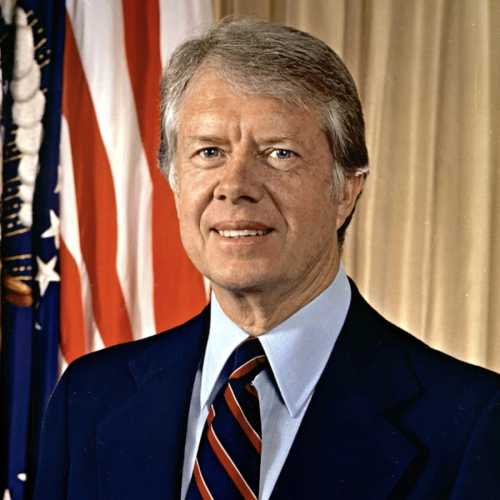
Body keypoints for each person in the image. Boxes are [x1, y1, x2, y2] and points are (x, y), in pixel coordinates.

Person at [34, 18, 500, 500]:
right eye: (209, 151)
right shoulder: (89, 399)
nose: (235, 186)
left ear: (346, 190)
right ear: (174, 181)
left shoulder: (472, 424)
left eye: (279, 153)